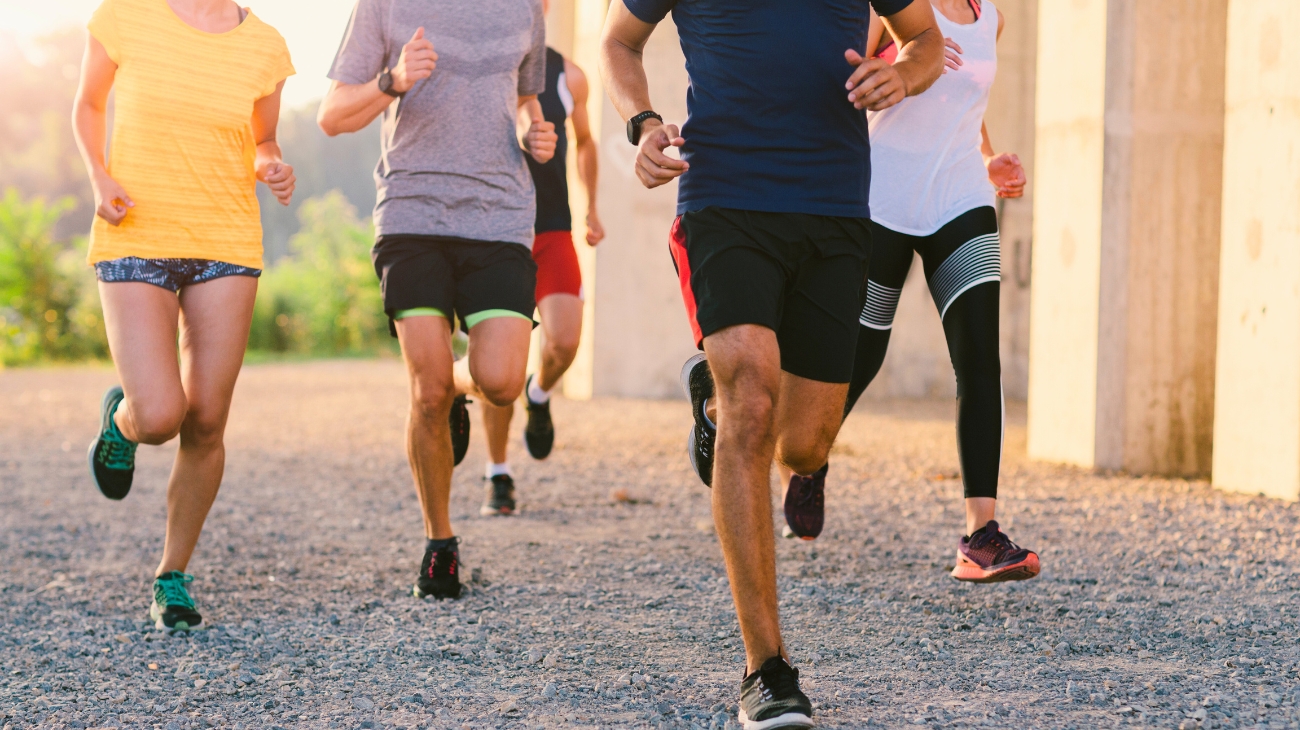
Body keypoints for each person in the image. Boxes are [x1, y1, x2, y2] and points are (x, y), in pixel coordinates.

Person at [600, 0, 943, 726]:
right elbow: (618, 41)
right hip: (725, 196)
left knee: (804, 443)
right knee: (752, 400)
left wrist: (902, 76)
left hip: (835, 205)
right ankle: (768, 668)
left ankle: (716, 402)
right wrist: (643, 124)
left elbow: (927, 39)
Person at [780, 0, 1041, 586]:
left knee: (979, 359)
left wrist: (986, 158)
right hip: (882, 200)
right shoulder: (886, 9)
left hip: (960, 198)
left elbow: (967, 106)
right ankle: (807, 455)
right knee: (861, 356)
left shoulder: (991, 17)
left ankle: (980, 536)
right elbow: (843, 77)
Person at [318, 0, 556, 600]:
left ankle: (456, 384)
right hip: (413, 213)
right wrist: (392, 80)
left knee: (501, 382)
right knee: (424, 392)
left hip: (499, 214)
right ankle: (440, 542)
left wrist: (534, 129)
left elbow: (526, 99)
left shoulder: (528, 6)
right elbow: (332, 115)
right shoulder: (383, 6)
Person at [74, 0, 295, 631]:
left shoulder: (266, 45)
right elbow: (89, 104)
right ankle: (123, 420)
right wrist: (98, 176)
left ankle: (172, 574)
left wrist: (270, 165)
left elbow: (262, 138)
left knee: (206, 419)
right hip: (135, 231)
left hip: (226, 241)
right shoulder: (124, 15)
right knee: (162, 414)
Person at [476, 24, 605, 517]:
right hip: (496, 230)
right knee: (496, 364)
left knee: (564, 343)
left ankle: (539, 391)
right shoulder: (483, 61)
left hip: (552, 227)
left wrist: (592, 207)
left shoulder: (569, 76)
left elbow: (588, 142)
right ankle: (498, 473)